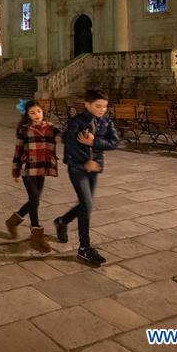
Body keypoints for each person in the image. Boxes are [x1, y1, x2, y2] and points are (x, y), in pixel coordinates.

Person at [54, 88, 120, 267]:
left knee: (86, 203)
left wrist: (93, 142)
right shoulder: (77, 122)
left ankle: (62, 221)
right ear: (87, 105)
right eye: (98, 106)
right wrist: (84, 161)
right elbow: (68, 142)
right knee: (87, 205)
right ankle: (84, 248)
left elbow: (115, 142)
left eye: (104, 107)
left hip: (95, 167)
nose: (101, 110)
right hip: (77, 168)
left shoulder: (106, 121)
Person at [7, 100, 60, 253]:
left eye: (38, 111)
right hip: (27, 168)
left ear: (43, 112)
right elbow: (18, 151)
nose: (36, 115)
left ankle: (13, 221)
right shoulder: (24, 130)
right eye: (32, 112)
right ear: (27, 115)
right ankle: (36, 236)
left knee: (34, 200)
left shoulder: (50, 127)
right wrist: (15, 170)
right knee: (35, 200)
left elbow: (65, 135)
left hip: (42, 167)